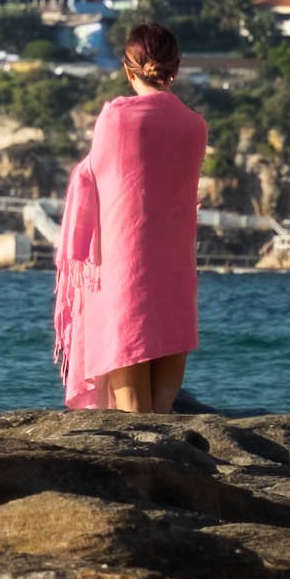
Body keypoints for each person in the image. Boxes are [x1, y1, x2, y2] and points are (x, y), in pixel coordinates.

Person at [53, 21, 208, 413]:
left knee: (132, 413)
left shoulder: (115, 118)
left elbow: (99, 174)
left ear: (128, 69)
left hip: (125, 269)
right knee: (161, 409)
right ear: (176, 68)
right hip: (176, 268)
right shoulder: (195, 126)